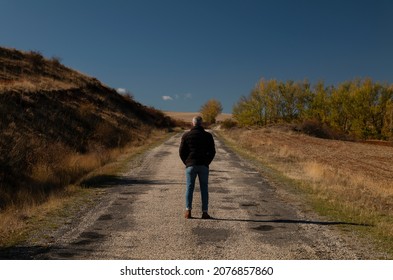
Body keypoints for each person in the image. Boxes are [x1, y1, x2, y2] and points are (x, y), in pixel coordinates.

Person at [179, 116, 216, 219]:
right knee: (204, 189)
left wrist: (187, 163)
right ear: (201, 123)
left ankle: (188, 211)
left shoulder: (186, 135)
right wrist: (207, 162)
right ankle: (204, 212)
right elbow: (212, 151)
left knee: (189, 188)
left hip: (191, 165)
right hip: (203, 165)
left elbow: (181, 152)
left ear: (193, 123)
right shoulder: (208, 136)